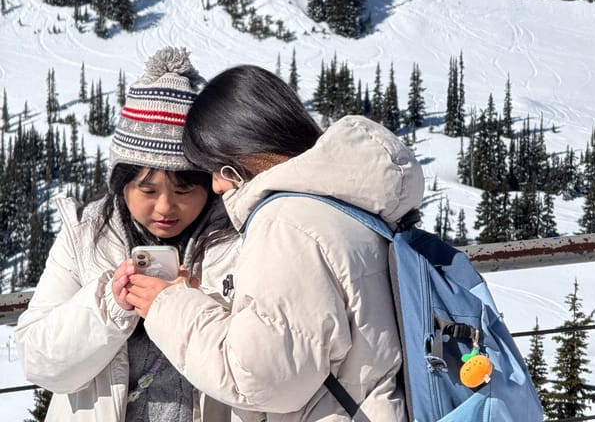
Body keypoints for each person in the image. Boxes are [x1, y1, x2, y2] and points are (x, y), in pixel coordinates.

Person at [125, 64, 425, 422]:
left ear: (241, 149)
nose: (217, 186)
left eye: (216, 167)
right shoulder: (346, 204)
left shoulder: (287, 223)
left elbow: (263, 378)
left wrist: (168, 306)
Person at [16, 47, 238, 422]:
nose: (165, 207)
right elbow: (38, 361)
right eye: (148, 190)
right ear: (122, 184)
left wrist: (189, 307)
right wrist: (109, 305)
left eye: (184, 189)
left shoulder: (235, 241)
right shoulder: (86, 236)